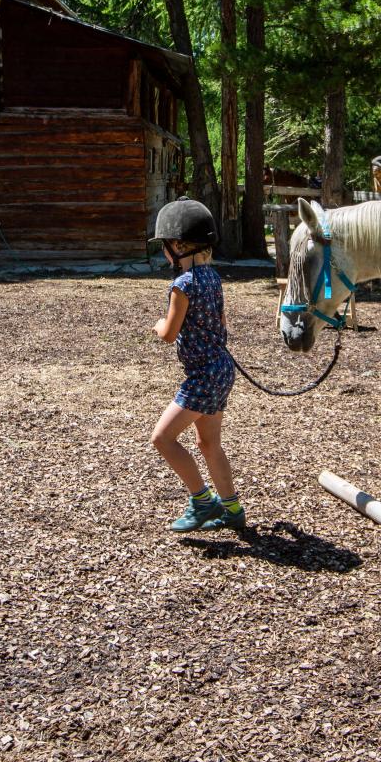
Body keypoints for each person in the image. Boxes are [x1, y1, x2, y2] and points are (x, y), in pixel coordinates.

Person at [150, 198, 245, 531]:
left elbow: (168, 333)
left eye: (165, 247)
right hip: (220, 369)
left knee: (162, 439)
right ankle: (232, 509)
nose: (164, 254)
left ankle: (202, 501)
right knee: (209, 444)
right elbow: (221, 321)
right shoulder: (213, 278)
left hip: (204, 375)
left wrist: (159, 324)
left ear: (177, 246)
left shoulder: (182, 285)